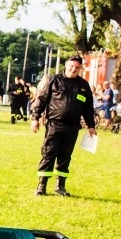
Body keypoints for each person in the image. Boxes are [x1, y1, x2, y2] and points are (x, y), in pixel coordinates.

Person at [30, 56, 96, 196]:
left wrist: (91, 125)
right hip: (54, 125)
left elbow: (88, 107)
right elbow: (41, 100)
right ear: (66, 65)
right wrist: (35, 118)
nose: (74, 69)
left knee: (65, 156)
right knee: (48, 154)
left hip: (72, 127)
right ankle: (42, 185)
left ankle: (60, 186)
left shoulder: (83, 85)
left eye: (77, 67)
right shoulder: (54, 80)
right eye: (72, 66)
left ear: (80, 69)